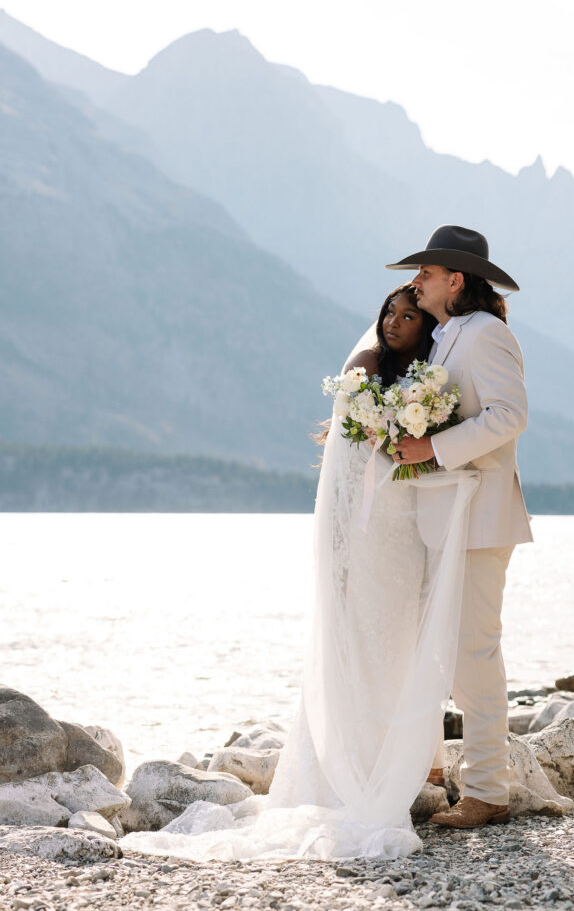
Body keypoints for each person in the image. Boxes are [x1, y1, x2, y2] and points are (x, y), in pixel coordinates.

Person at [120, 282, 479, 862]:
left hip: (403, 530)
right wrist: (338, 547)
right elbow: (347, 464)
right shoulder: (365, 366)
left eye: (408, 315)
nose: (393, 322)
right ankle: (342, 773)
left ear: (426, 327)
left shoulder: (429, 381)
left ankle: (407, 765)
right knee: (357, 642)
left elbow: (421, 452)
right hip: (363, 534)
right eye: (389, 311)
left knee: (399, 642)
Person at [386, 224, 533, 829]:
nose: (415, 282)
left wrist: (432, 449)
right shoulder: (448, 338)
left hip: (481, 517)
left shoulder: (487, 334)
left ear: (455, 280)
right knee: (440, 652)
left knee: (474, 654)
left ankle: (489, 791)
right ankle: (438, 767)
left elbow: (510, 415)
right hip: (447, 519)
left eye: (425, 273)